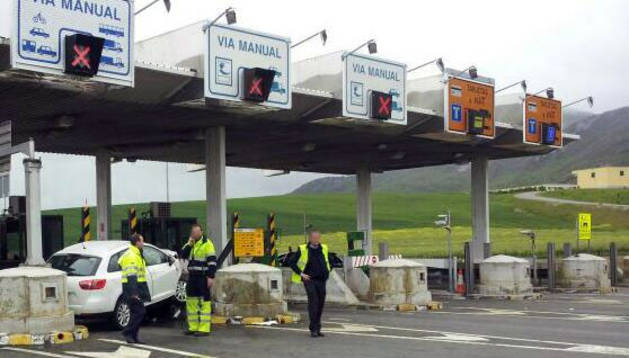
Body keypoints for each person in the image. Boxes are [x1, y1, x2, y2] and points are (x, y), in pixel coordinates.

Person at [289, 230, 331, 337]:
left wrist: (327, 272)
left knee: (320, 304)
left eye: (318, 238)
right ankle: (313, 329)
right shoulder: (303, 249)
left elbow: (328, 261)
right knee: (313, 303)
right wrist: (301, 274)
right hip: (309, 280)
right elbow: (291, 262)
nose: (316, 240)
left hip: (322, 280)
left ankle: (318, 327)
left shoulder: (324, 248)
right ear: (310, 239)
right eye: (314, 238)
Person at [181, 224, 217, 336]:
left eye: (197, 232)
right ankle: (193, 327)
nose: (195, 234)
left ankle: (204, 329)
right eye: (193, 232)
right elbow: (182, 255)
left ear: (201, 232)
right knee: (191, 302)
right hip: (192, 277)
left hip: (202, 277)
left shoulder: (207, 243)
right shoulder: (190, 244)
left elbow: (212, 261)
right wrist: (189, 245)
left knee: (204, 303)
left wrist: (211, 277)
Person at [118, 233, 151, 343]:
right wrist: (134, 293)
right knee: (140, 312)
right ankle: (128, 332)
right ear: (137, 242)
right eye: (142, 241)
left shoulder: (136, 253)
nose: (143, 243)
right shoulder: (131, 255)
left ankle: (133, 336)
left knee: (136, 312)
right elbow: (131, 275)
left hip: (137, 287)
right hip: (132, 288)